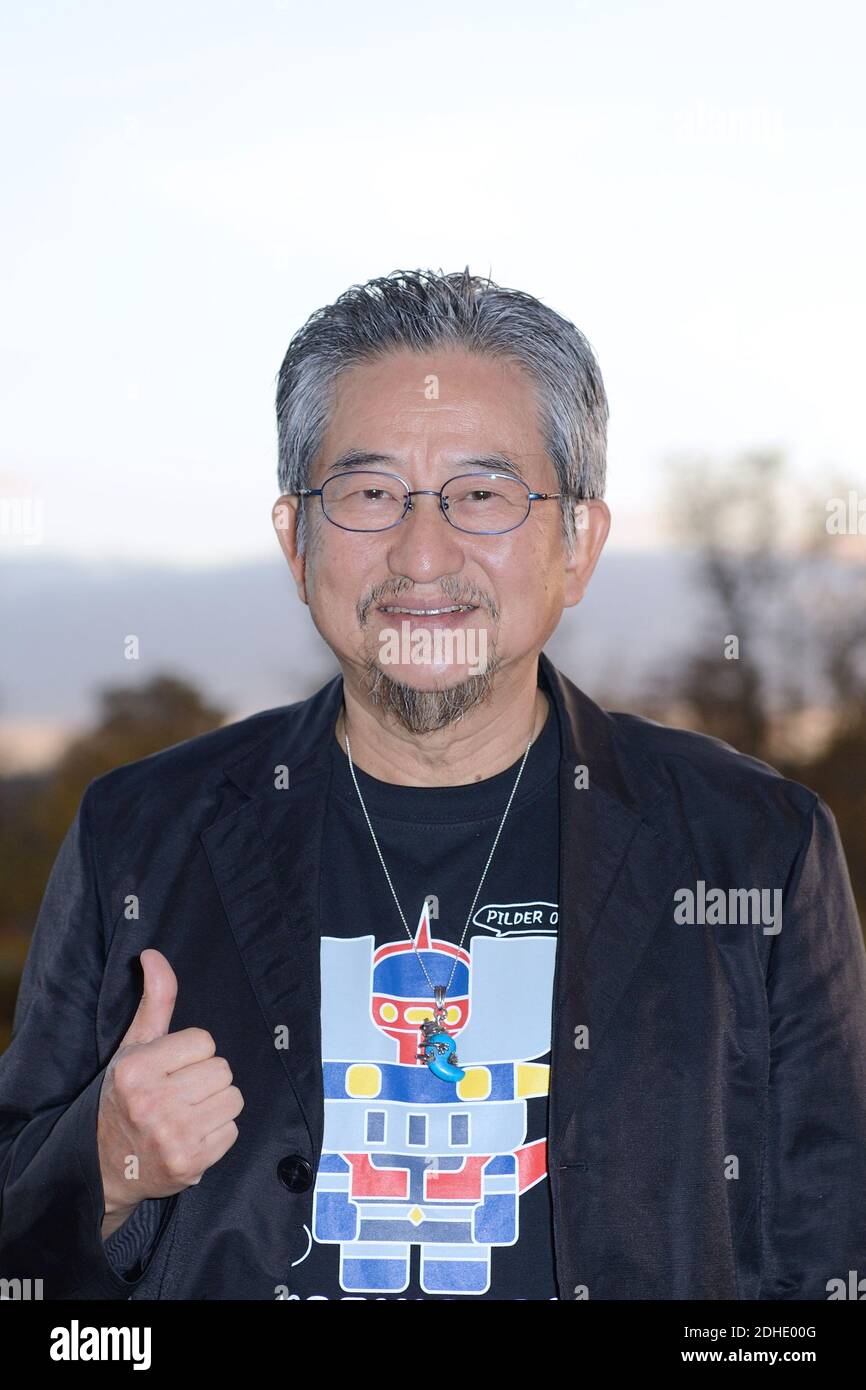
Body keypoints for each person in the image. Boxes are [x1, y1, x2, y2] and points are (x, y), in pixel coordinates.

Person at [2, 268, 865, 1300]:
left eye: (482, 494)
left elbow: (826, 1260)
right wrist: (99, 1170)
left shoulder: (754, 845)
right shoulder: (139, 834)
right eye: (368, 494)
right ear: (296, 539)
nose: (421, 553)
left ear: (577, 542)